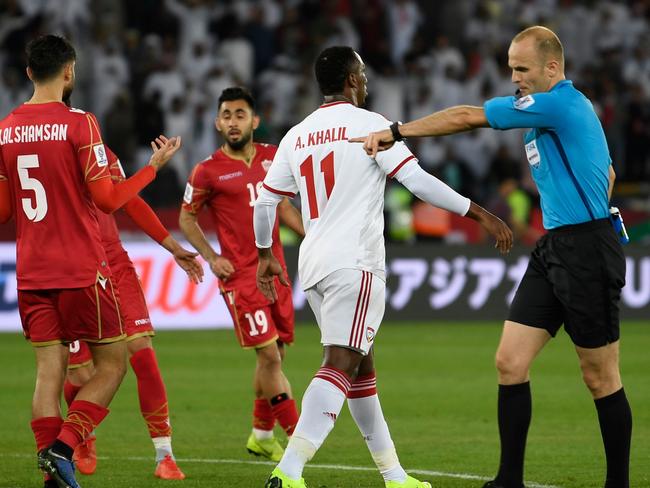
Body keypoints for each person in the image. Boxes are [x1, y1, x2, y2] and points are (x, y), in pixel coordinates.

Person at [355, 26, 631, 488]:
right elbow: (608, 172)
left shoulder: (561, 102)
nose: (515, 77)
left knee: (600, 375)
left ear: (552, 68)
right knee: (509, 362)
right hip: (556, 247)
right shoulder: (556, 115)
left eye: (522, 69)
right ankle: (509, 480)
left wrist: (396, 132)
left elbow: (466, 116)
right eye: (510, 69)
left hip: (586, 249)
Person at [253, 46, 512, 488]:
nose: (367, 81)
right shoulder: (372, 125)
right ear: (352, 80)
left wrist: (264, 254)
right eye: (364, 73)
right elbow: (416, 180)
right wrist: (480, 213)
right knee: (341, 361)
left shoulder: (296, 135)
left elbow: (265, 201)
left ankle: (393, 476)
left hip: (314, 267)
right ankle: (289, 471)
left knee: (361, 368)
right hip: (356, 263)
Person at [0, 34, 181, 488]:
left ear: (27, 74)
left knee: (48, 373)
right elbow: (107, 199)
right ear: (69, 72)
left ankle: (50, 474)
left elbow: (3, 211)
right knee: (114, 365)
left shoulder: (5, 129)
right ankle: (63, 448)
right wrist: (151, 168)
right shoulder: (80, 123)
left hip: (30, 271)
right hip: (80, 270)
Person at [179, 86, 305, 462]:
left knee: (276, 355)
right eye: (226, 115)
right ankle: (298, 439)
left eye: (239, 114)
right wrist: (211, 256)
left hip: (275, 271)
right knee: (269, 357)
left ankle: (261, 435)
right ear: (217, 123)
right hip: (240, 278)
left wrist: (311, 236)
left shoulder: (272, 157)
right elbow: (187, 217)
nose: (232, 122)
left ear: (255, 120)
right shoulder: (207, 170)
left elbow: (282, 204)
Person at [64, 143, 203, 480]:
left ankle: (164, 456)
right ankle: (82, 435)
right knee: (78, 372)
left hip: (114, 265)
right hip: (71, 268)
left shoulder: (100, 152)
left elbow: (127, 200)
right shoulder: (47, 150)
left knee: (143, 353)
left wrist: (172, 247)